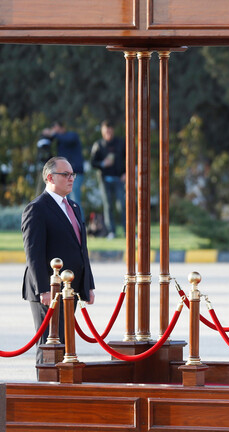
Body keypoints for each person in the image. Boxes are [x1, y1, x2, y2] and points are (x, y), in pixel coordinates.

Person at [22, 156, 96, 365]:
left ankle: (60, 385)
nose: (71, 178)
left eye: (72, 174)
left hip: (70, 289)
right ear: (50, 177)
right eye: (65, 174)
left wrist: (88, 285)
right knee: (49, 345)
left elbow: (82, 249)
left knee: (64, 345)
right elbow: (33, 253)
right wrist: (43, 289)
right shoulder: (37, 208)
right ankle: (46, 385)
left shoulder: (73, 206)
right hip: (49, 291)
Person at [90, 120, 126, 239]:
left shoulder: (121, 143)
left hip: (119, 178)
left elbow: (129, 158)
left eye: (110, 131)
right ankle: (111, 232)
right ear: (102, 131)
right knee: (108, 205)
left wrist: (126, 173)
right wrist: (103, 164)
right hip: (104, 179)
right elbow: (93, 162)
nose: (108, 133)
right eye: (106, 131)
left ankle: (127, 230)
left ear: (113, 130)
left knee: (122, 205)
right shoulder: (98, 145)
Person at [43, 122, 85, 208]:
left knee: (75, 202)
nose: (54, 131)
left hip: (75, 173)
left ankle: (78, 217)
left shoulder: (72, 135)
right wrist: (46, 136)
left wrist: (53, 134)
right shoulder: (58, 141)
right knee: (65, 201)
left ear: (62, 128)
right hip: (64, 175)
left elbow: (68, 140)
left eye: (56, 128)